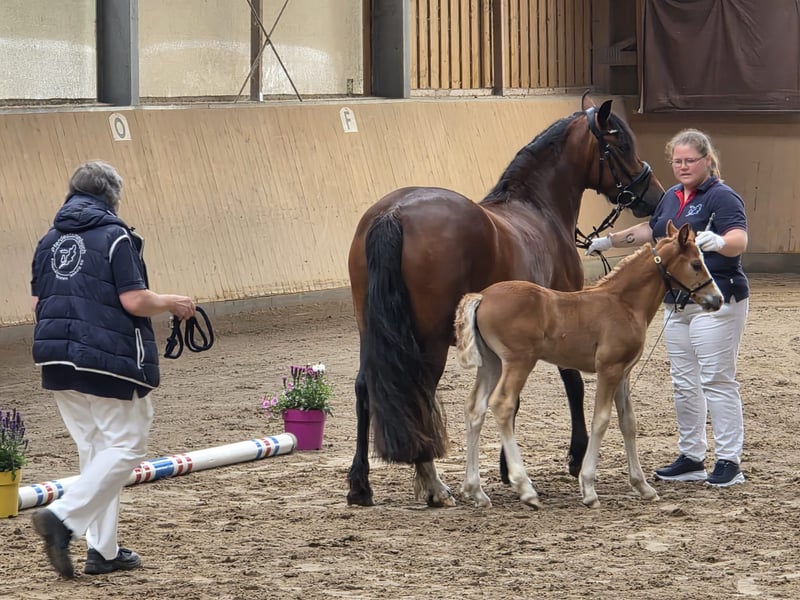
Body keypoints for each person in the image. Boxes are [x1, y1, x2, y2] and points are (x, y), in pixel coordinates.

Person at [30, 160, 196, 578]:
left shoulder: (48, 240)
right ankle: (63, 517)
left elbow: (38, 303)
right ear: (112, 195)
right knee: (127, 446)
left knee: (96, 453)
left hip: (57, 358)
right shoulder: (116, 235)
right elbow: (134, 300)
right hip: (105, 361)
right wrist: (172, 302)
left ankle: (102, 551)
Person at [586, 128, 748, 488]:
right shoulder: (672, 196)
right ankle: (691, 457)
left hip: (716, 299)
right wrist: (609, 241)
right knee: (684, 382)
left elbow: (740, 238)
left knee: (716, 378)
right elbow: (654, 230)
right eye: (677, 161)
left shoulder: (722, 196)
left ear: (707, 160)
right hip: (676, 302)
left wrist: (720, 241)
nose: (683, 166)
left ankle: (728, 460)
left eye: (690, 160)